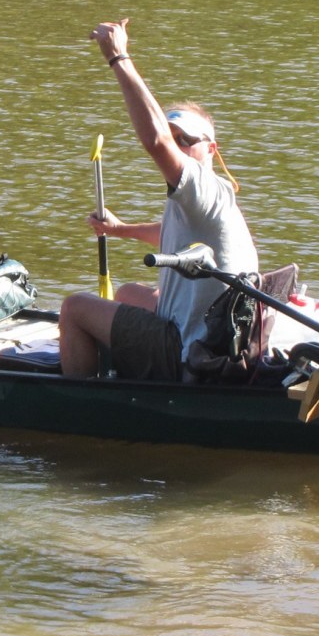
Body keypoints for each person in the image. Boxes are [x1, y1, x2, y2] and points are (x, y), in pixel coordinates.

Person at [59, 19, 259, 380]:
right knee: (128, 293)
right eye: (173, 137)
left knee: (74, 307)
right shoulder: (214, 194)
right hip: (218, 332)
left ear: (210, 148)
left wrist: (119, 57)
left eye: (185, 140)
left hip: (189, 349)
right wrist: (119, 230)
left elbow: (155, 142)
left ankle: (79, 400)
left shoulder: (199, 186)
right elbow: (173, 235)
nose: (176, 147)